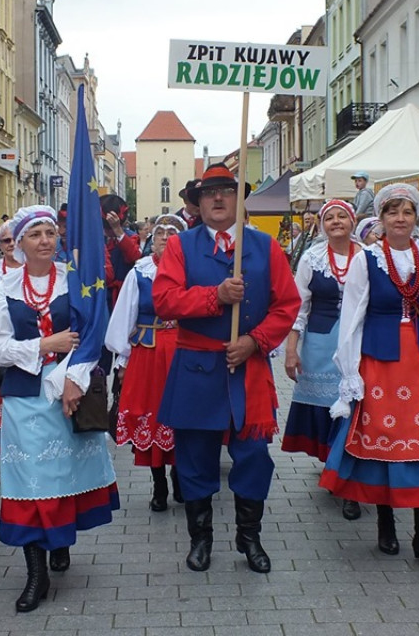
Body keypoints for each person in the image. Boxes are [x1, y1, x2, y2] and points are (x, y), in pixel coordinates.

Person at [320, 183, 419, 571]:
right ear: (382, 218)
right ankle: (386, 524)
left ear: (416, 217)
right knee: (387, 442)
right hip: (382, 360)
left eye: (407, 212)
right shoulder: (367, 259)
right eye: (393, 212)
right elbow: (353, 316)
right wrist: (350, 370)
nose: (400, 219)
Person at [153, 164, 300, 574]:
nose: (218, 198)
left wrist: (255, 341)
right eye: (210, 192)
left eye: (227, 191)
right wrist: (214, 296)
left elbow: (287, 305)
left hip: (247, 368)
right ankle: (201, 539)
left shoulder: (264, 247)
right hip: (197, 367)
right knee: (195, 458)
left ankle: (248, 536)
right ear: (198, 203)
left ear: (239, 200)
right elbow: (163, 300)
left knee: (254, 455)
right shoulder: (180, 247)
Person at [0, 205, 119, 613]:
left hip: (69, 393)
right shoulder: (2, 290)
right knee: (30, 482)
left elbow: (94, 333)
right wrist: (44, 345)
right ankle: (36, 572)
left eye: (49, 232)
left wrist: (73, 378)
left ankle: (59, 541)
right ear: (19, 244)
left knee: (64, 475)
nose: (44, 240)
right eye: (34, 234)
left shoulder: (74, 282)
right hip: (26, 398)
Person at [282, 199, 361, 521]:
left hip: (359, 341)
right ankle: (336, 467)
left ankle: (344, 473)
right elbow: (298, 306)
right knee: (328, 409)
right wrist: (291, 349)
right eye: (330, 217)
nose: (337, 221)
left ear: (353, 222)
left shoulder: (368, 256)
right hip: (321, 341)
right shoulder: (312, 258)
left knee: (354, 407)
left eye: (343, 216)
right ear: (322, 224)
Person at [105, 214, 185, 512]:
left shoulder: (191, 270)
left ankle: (180, 479)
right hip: (148, 353)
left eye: (173, 232)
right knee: (151, 415)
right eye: (161, 231)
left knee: (181, 417)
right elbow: (124, 315)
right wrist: (122, 359)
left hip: (182, 351)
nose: (165, 236)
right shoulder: (140, 271)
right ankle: (159, 484)